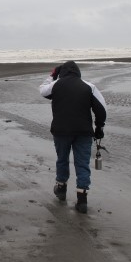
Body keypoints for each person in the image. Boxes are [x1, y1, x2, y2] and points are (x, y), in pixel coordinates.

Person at [39, 61, 107, 213]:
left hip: (61, 131)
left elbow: (42, 90)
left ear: (61, 73)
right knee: (82, 164)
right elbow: (101, 109)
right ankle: (82, 199)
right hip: (83, 132)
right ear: (78, 72)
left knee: (62, 159)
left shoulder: (56, 85)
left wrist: (52, 75)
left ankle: (61, 188)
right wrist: (99, 127)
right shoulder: (89, 86)